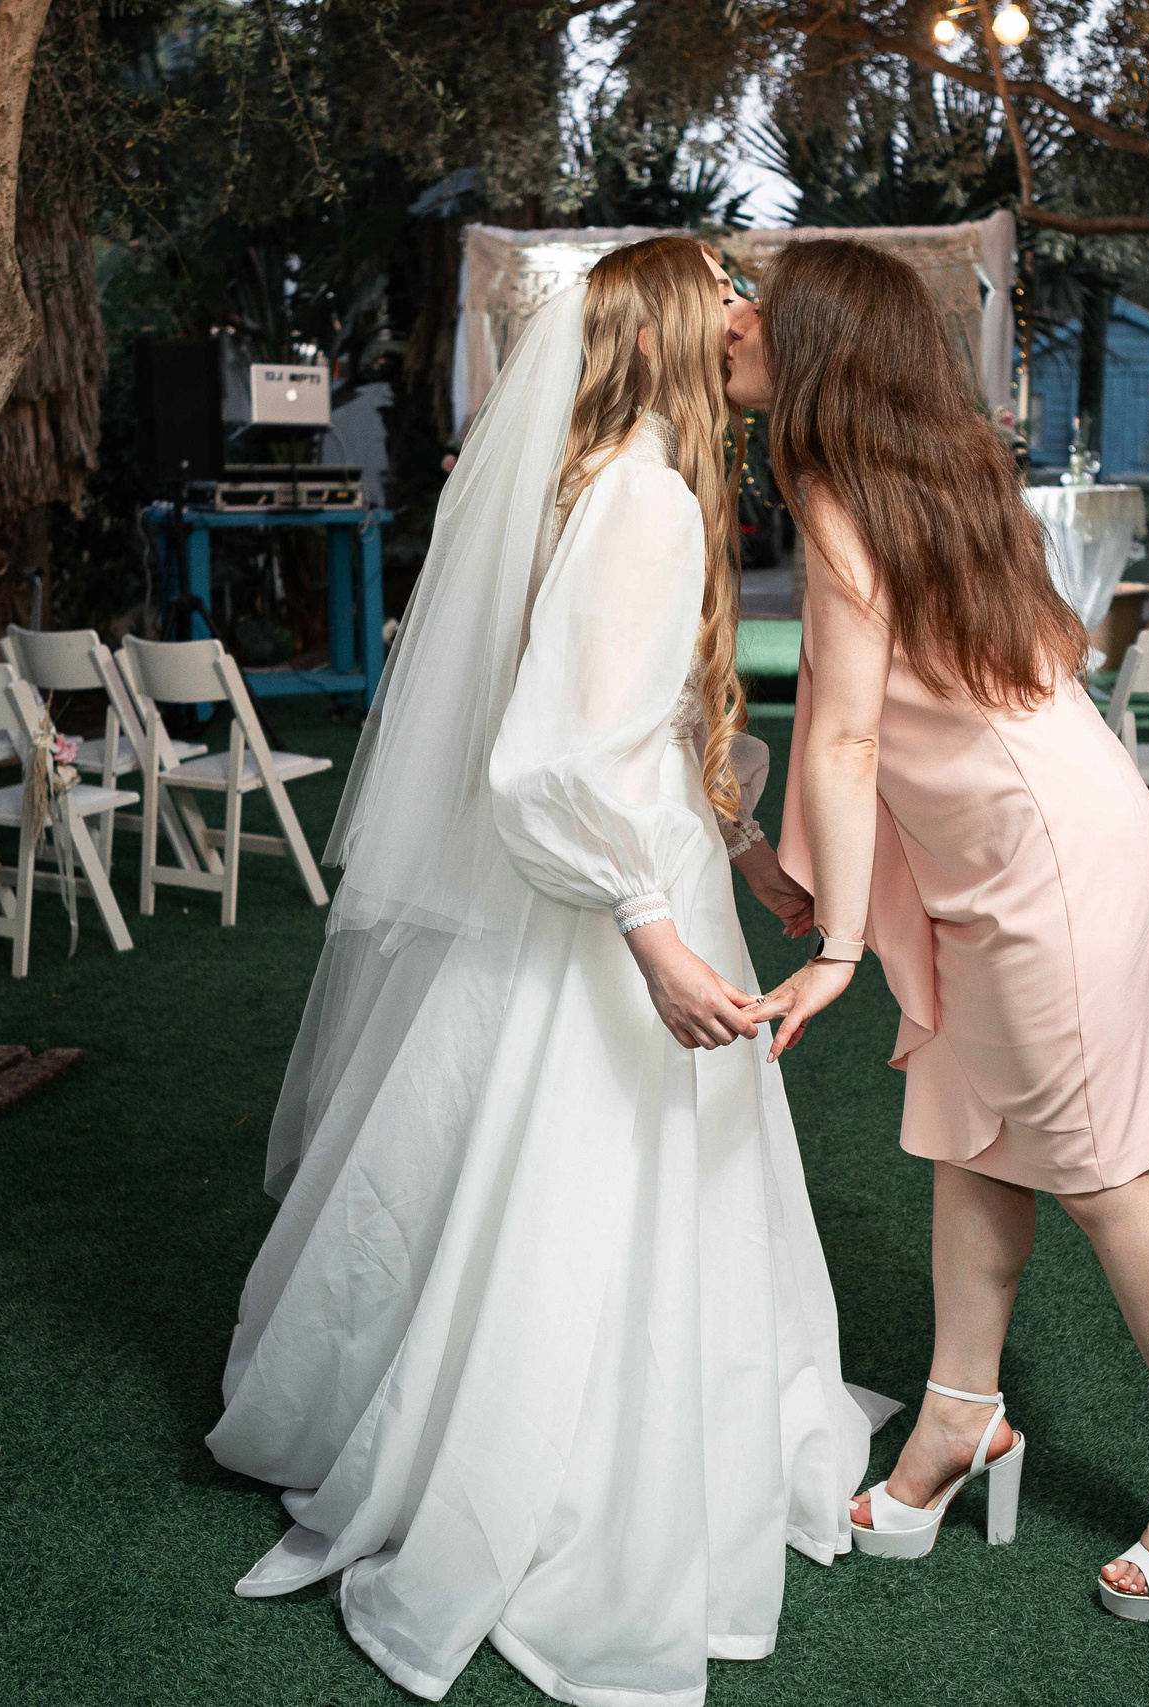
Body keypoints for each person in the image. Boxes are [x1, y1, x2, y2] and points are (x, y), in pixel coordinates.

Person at [205, 235, 873, 1703]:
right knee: (596, 1172)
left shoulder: (607, 479)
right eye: (724, 295)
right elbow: (552, 758)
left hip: (625, 868)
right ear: (665, 335)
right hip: (611, 895)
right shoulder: (642, 499)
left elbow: (623, 727)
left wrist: (744, 855)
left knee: (543, 1169)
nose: (746, 313)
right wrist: (651, 926)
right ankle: (559, 1469)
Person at [734, 238, 1149, 1622]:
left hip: (1039, 861)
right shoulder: (918, 474)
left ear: (814, 352)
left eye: (757, 305)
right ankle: (959, 1417)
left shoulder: (843, 492)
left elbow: (848, 738)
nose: (733, 318)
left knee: (1101, 1173)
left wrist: (844, 945)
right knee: (974, 1140)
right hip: (1006, 841)